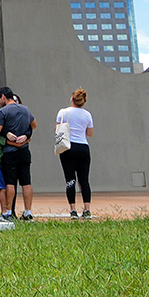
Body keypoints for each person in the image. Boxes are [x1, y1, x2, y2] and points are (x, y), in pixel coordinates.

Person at [0, 86, 36, 221]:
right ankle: (28, 212)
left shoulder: (2, 112)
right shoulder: (25, 109)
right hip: (24, 150)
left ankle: (8, 212)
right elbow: (34, 124)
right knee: (26, 181)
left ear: (3, 96)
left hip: (10, 153)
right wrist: (25, 135)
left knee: (10, 183)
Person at [56, 87, 94, 219]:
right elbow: (90, 133)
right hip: (83, 147)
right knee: (84, 179)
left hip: (68, 147)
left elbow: (57, 128)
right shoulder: (87, 114)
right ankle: (87, 209)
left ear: (72, 98)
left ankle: (73, 210)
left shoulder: (63, 112)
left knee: (70, 179)